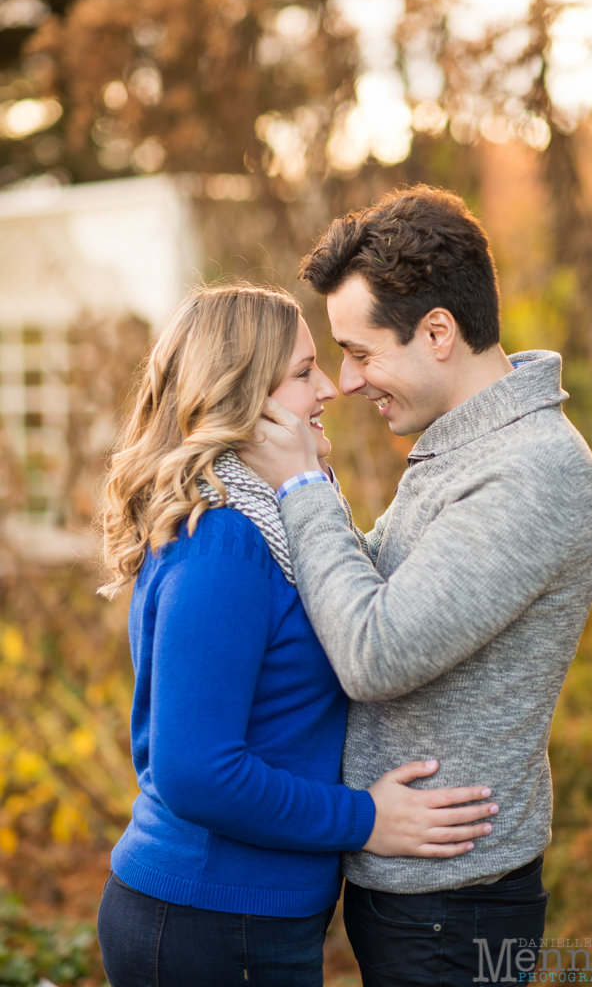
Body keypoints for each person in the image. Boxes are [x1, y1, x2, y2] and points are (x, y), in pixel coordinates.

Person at [239, 186, 592, 987]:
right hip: (413, 887)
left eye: (361, 352)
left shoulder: (530, 472)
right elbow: (365, 589)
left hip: (454, 903)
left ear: (437, 331)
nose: (343, 381)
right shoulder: (465, 447)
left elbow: (373, 651)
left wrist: (302, 488)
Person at [95, 283, 498, 987]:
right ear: (246, 397)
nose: (329, 389)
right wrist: (364, 819)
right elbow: (196, 770)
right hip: (207, 920)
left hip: (246, 917)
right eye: (304, 372)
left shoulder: (273, 522)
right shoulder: (226, 541)